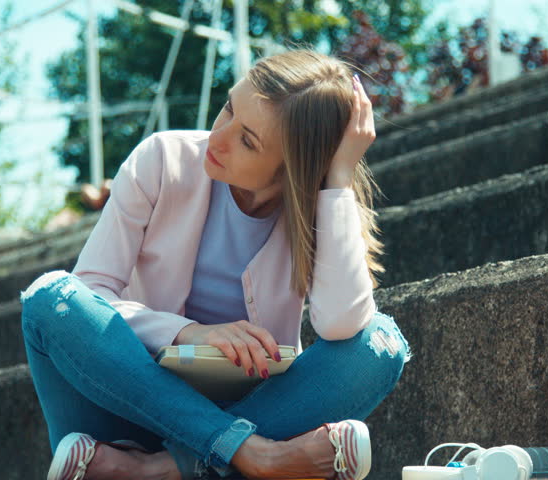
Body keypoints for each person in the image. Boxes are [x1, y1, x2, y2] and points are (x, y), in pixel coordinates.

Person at [20, 48, 412, 480]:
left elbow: (341, 324)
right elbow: (91, 291)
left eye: (248, 141)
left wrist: (337, 179)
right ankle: (251, 456)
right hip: (129, 406)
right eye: (228, 108)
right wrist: (190, 333)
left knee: (379, 343)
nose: (218, 138)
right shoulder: (162, 159)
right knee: (50, 298)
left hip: (245, 412)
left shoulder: (315, 211)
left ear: (292, 170)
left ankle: (164, 470)